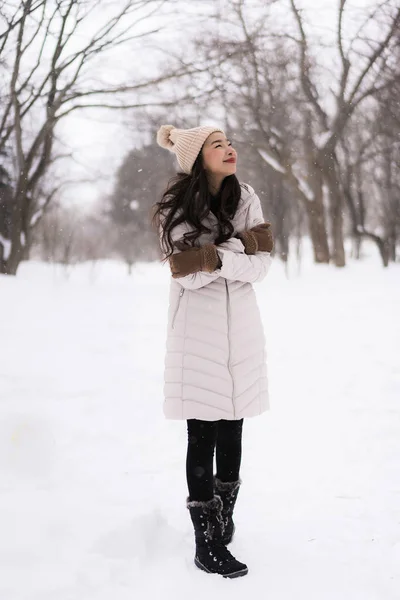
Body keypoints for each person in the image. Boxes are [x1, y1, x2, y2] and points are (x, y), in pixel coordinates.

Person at [152, 124, 273, 579]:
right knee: (203, 431)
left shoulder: (247, 198)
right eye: (217, 145)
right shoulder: (179, 208)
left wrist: (217, 256)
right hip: (196, 332)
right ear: (197, 158)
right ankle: (205, 540)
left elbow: (262, 265)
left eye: (229, 142)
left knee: (234, 428)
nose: (229, 149)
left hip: (240, 328)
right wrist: (232, 253)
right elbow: (184, 273)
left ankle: (223, 516)